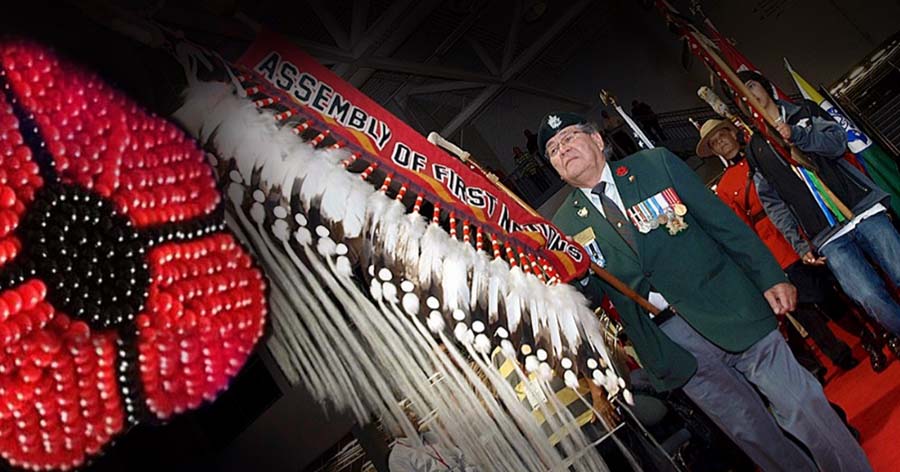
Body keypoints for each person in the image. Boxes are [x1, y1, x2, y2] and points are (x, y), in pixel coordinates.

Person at [540, 111, 871, 472]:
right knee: (753, 435)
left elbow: (723, 223)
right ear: (557, 171)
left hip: (732, 307)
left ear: (598, 140)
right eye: (554, 149)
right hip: (671, 343)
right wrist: (575, 281)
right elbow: (591, 299)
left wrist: (769, 277)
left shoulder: (655, 165)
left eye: (569, 137)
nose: (563, 149)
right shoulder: (563, 228)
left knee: (801, 405)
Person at [698, 118, 886, 373]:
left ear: (732, 133)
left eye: (721, 136)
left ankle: (885, 325)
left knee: (855, 278)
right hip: (781, 248)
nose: (720, 143)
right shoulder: (726, 186)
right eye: (714, 143)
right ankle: (868, 337)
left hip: (812, 225)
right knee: (825, 298)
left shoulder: (762, 150)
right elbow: (742, 229)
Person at [734, 70, 900, 349]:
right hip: (826, 236)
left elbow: (837, 143)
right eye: (740, 94)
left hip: (860, 208)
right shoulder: (756, 150)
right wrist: (798, 244)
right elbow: (773, 202)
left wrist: (798, 135)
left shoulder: (804, 112)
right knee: (868, 296)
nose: (748, 94)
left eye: (750, 85)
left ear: (765, 87)